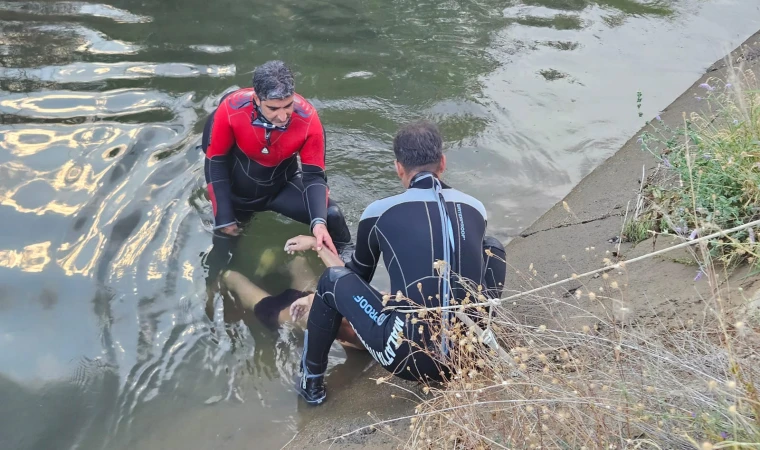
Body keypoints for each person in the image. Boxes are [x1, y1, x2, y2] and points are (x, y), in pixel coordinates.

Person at [296, 120, 508, 405]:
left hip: (408, 359)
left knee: (331, 281)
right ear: (442, 163)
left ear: (398, 167)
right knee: (493, 246)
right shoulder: (474, 207)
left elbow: (355, 278)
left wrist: (318, 246)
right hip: (468, 352)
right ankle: (483, 330)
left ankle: (311, 386)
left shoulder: (378, 212)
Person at [201, 60, 352, 289]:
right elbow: (215, 160)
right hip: (239, 194)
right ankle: (214, 287)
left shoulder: (308, 118)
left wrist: (318, 222)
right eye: (273, 108)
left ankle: (350, 274)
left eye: (288, 106)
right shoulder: (232, 108)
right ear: (257, 100)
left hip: (282, 187)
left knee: (332, 216)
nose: (283, 117)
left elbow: (313, 176)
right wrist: (223, 213)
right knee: (223, 243)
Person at [220, 238, 365, 350]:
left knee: (230, 277)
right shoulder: (366, 327)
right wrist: (314, 243)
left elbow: (345, 283)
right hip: (304, 299)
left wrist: (315, 244)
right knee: (298, 259)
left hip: (275, 311)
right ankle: (266, 269)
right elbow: (346, 283)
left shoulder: (353, 333)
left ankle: (260, 273)